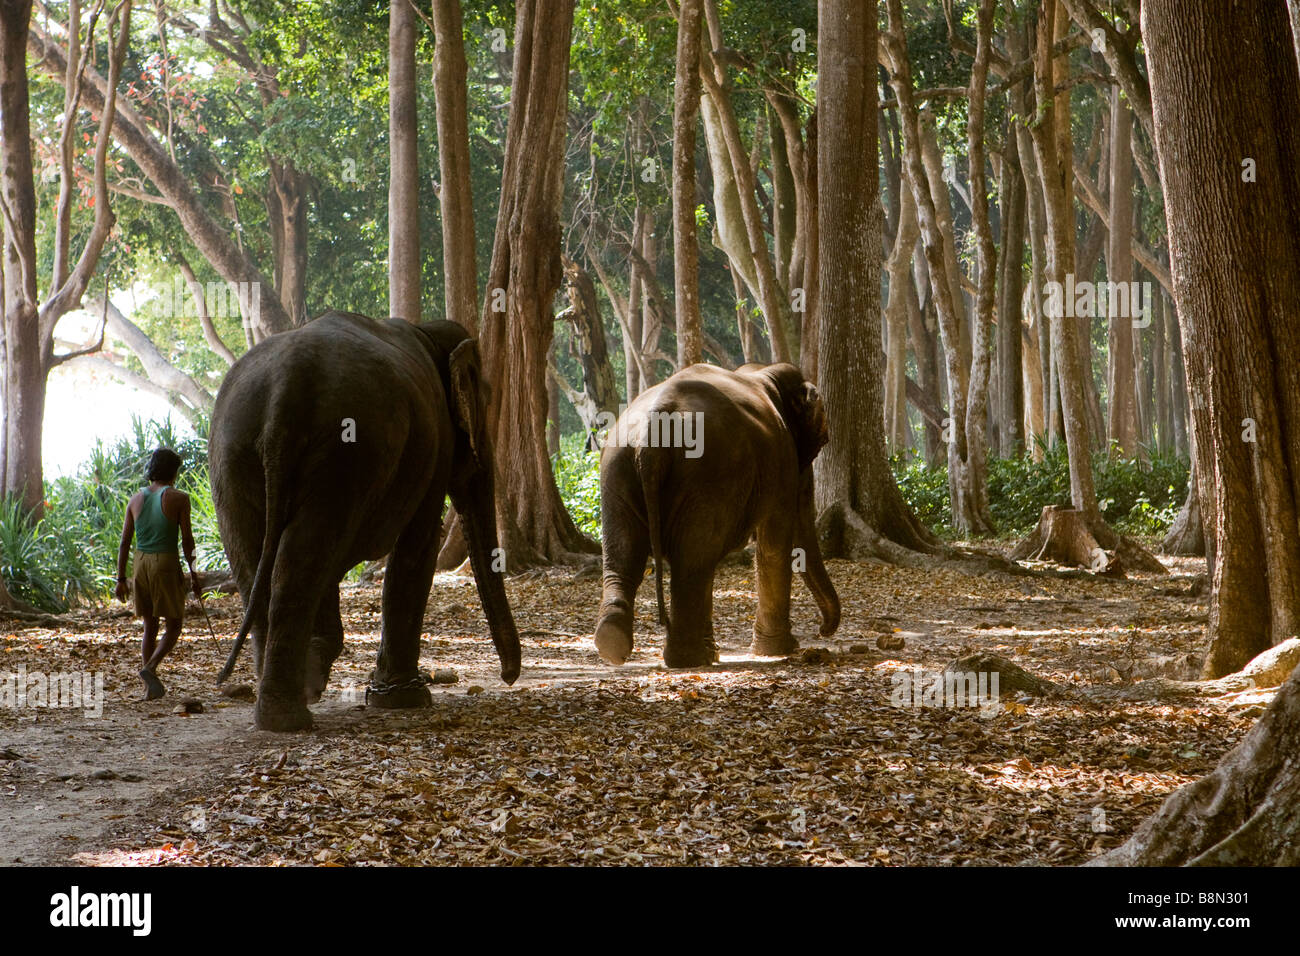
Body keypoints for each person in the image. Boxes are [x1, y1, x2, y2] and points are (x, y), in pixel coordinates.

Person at [115, 448, 201, 700]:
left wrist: (121, 579)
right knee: (174, 624)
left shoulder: (135, 499)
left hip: (140, 563)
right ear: (174, 471)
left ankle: (149, 688)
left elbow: (124, 543)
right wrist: (194, 574)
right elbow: (187, 540)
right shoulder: (179, 498)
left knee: (149, 626)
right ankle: (150, 668)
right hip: (165, 561)